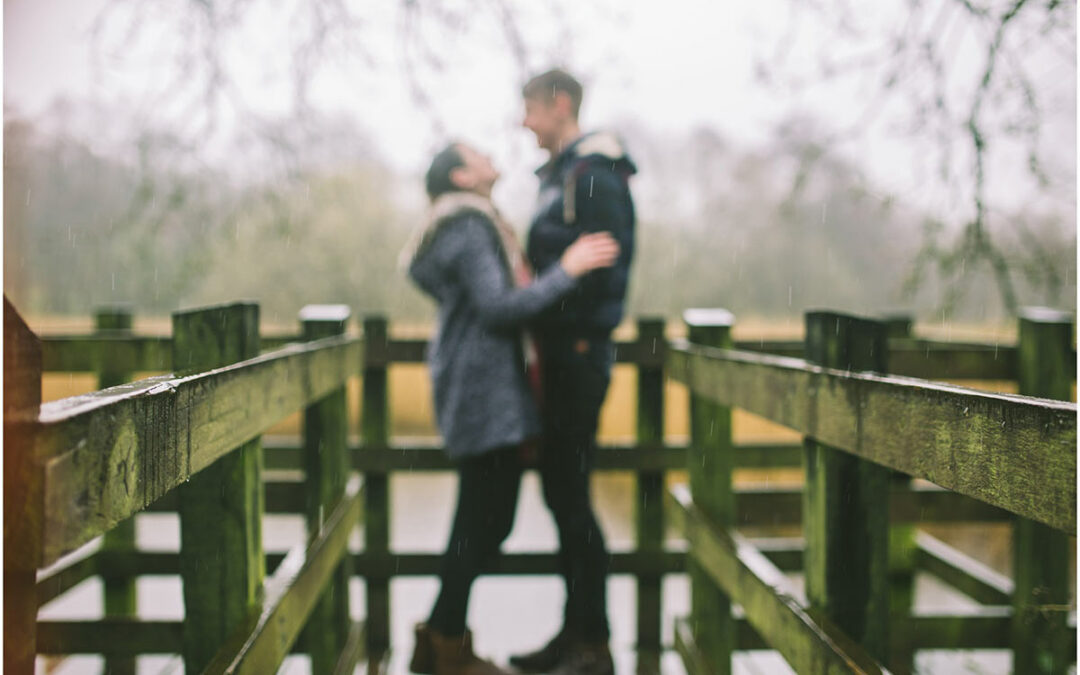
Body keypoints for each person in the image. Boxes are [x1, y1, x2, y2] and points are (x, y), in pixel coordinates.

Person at [404, 141, 620, 675]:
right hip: (485, 392)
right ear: (460, 176)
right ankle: (444, 649)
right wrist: (567, 270)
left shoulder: (468, 223)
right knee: (482, 522)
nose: (490, 157)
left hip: (482, 388)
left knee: (480, 521)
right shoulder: (469, 226)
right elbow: (499, 308)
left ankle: (441, 646)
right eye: (477, 156)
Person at [509, 69, 637, 675]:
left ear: (560, 105)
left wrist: (560, 320)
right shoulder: (565, 174)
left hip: (577, 359)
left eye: (530, 109)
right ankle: (575, 635)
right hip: (561, 359)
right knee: (564, 496)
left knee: (572, 497)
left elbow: (603, 274)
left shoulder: (594, 174)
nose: (524, 122)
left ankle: (593, 644)